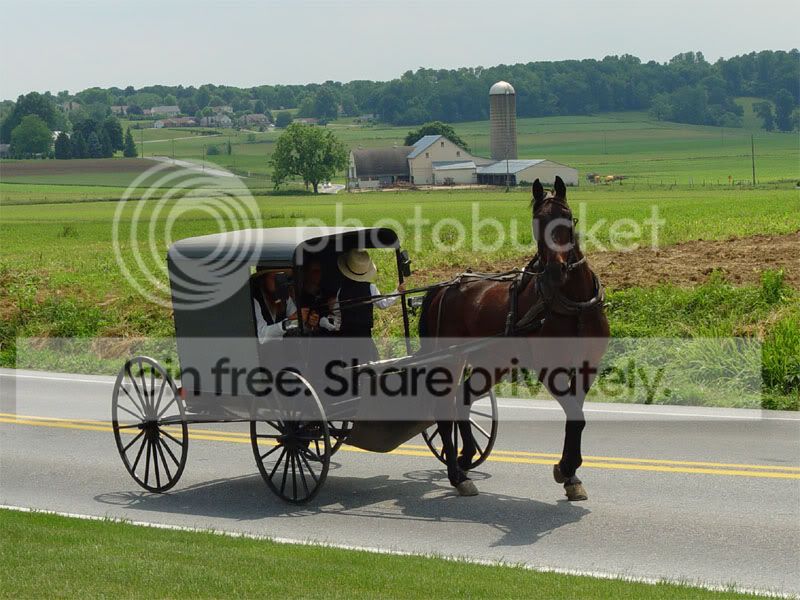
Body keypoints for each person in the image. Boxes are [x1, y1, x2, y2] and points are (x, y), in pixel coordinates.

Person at [330, 249, 406, 363]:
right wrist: (398, 291)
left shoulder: (341, 291)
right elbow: (383, 303)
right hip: (364, 337)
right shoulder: (370, 288)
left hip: (346, 339)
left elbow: (337, 312)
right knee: (370, 366)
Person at [250, 270, 298, 343]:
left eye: (280, 278)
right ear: (263, 279)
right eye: (274, 278)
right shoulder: (255, 301)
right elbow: (261, 336)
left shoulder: (285, 298)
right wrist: (287, 323)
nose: (278, 282)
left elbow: (295, 320)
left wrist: (304, 320)